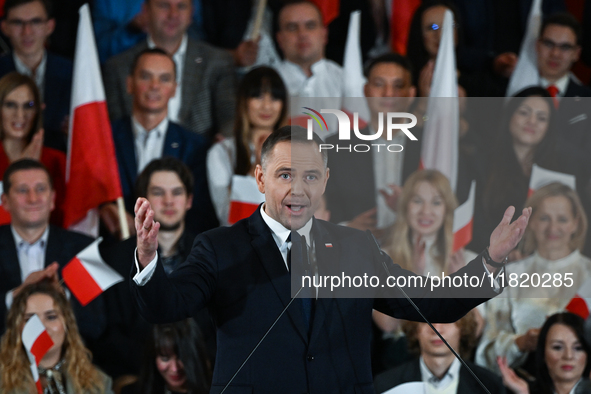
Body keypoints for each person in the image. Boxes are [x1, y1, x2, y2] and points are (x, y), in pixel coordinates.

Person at [130, 125, 531, 392]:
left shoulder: (357, 247)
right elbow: (167, 305)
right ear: (260, 179)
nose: (298, 189)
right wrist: (148, 260)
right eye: (285, 174)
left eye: (310, 176)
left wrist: (490, 261)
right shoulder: (219, 246)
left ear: (325, 180)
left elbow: (430, 302)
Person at [94, 158, 215, 378]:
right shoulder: (113, 259)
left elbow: (218, 327)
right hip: (134, 379)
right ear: (143, 201)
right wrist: (154, 369)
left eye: (177, 193)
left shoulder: (212, 255)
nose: (169, 201)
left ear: (189, 200)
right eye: (158, 193)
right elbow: (108, 334)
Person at [476, 183, 591, 373]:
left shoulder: (589, 274)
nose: (553, 227)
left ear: (575, 223)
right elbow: (486, 353)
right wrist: (520, 343)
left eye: (562, 219)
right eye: (545, 218)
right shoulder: (509, 275)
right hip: (520, 383)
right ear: (532, 221)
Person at [373, 169, 480, 372]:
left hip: (451, 359)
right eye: (417, 201)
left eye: (436, 202)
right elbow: (387, 325)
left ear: (447, 210)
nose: (426, 211)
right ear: (405, 207)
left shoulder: (466, 259)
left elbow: (474, 332)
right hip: (400, 359)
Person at [104, 48, 216, 237]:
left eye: (164, 79)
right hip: (114, 246)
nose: (154, 86)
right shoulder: (105, 137)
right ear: (129, 84)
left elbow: (199, 211)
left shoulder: (195, 146)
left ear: (174, 89)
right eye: (146, 77)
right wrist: (104, 209)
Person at [0, 159, 106, 344]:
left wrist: (61, 296)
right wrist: (16, 296)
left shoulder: (84, 249)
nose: (33, 198)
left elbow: (96, 325)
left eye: (41, 189)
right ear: (5, 201)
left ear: (52, 199)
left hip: (69, 364)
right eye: (23, 190)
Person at [471, 87, 587, 252]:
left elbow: (574, 222)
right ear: (510, 115)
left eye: (541, 118)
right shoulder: (481, 162)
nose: (532, 121)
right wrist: (502, 254)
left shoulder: (563, 169)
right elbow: (475, 223)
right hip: (492, 260)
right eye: (524, 113)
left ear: (549, 127)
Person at [103, 0, 236, 141]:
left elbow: (230, 121)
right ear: (146, 11)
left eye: (181, 6)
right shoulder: (118, 67)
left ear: (192, 12)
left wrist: (222, 149)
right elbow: (114, 134)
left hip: (200, 159)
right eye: (164, 5)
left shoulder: (217, 62)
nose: (173, 14)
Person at [324, 53, 420, 233]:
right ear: (366, 90)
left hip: (417, 253)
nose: (388, 94)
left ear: (411, 94)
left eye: (398, 86)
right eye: (379, 84)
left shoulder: (429, 146)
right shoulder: (336, 147)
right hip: (353, 252)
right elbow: (322, 206)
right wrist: (347, 229)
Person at [206, 66, 287, 225]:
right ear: (244, 101)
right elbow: (228, 218)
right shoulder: (222, 152)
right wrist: (258, 163)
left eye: (274, 98)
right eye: (258, 96)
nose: (266, 106)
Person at [0, 280, 113, 393]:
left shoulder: (99, 382)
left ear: (67, 323)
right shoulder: (3, 382)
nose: (42, 327)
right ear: (17, 328)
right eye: (30, 320)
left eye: (51, 317)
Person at [0, 0, 72, 152]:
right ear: (5, 28)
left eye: (36, 22)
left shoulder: (73, 73)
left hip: (59, 167)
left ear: (50, 26)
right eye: (18, 23)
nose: (27, 32)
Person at [374, 311, 505, 394]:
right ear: (415, 330)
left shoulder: (490, 385)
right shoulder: (385, 384)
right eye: (426, 320)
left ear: (463, 329)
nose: (436, 329)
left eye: (447, 320)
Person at [0, 72, 65, 226]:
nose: (20, 115)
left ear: (38, 110)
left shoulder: (56, 160)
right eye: (10, 105)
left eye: (28, 106)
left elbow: (62, 221)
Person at [273, 0, 343, 116]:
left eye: (310, 26)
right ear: (280, 39)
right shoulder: (267, 83)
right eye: (292, 27)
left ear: (324, 34)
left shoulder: (345, 81)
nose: (302, 34)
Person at [498, 312, 591, 394]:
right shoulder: (523, 390)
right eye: (557, 347)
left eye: (578, 348)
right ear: (543, 352)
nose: (568, 356)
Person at [121, 319, 212, 394]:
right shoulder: (133, 391)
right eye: (165, 358)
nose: (175, 368)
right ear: (153, 358)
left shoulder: (218, 389)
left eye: (182, 357)